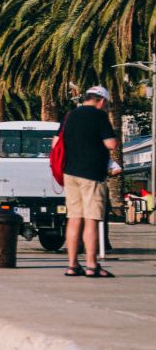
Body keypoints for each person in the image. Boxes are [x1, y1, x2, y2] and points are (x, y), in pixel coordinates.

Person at [53, 86, 118, 278]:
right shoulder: (99, 116)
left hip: (70, 173)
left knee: (74, 219)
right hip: (92, 174)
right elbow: (111, 144)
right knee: (91, 219)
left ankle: (72, 265)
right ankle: (91, 265)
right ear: (102, 101)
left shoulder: (69, 116)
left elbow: (55, 143)